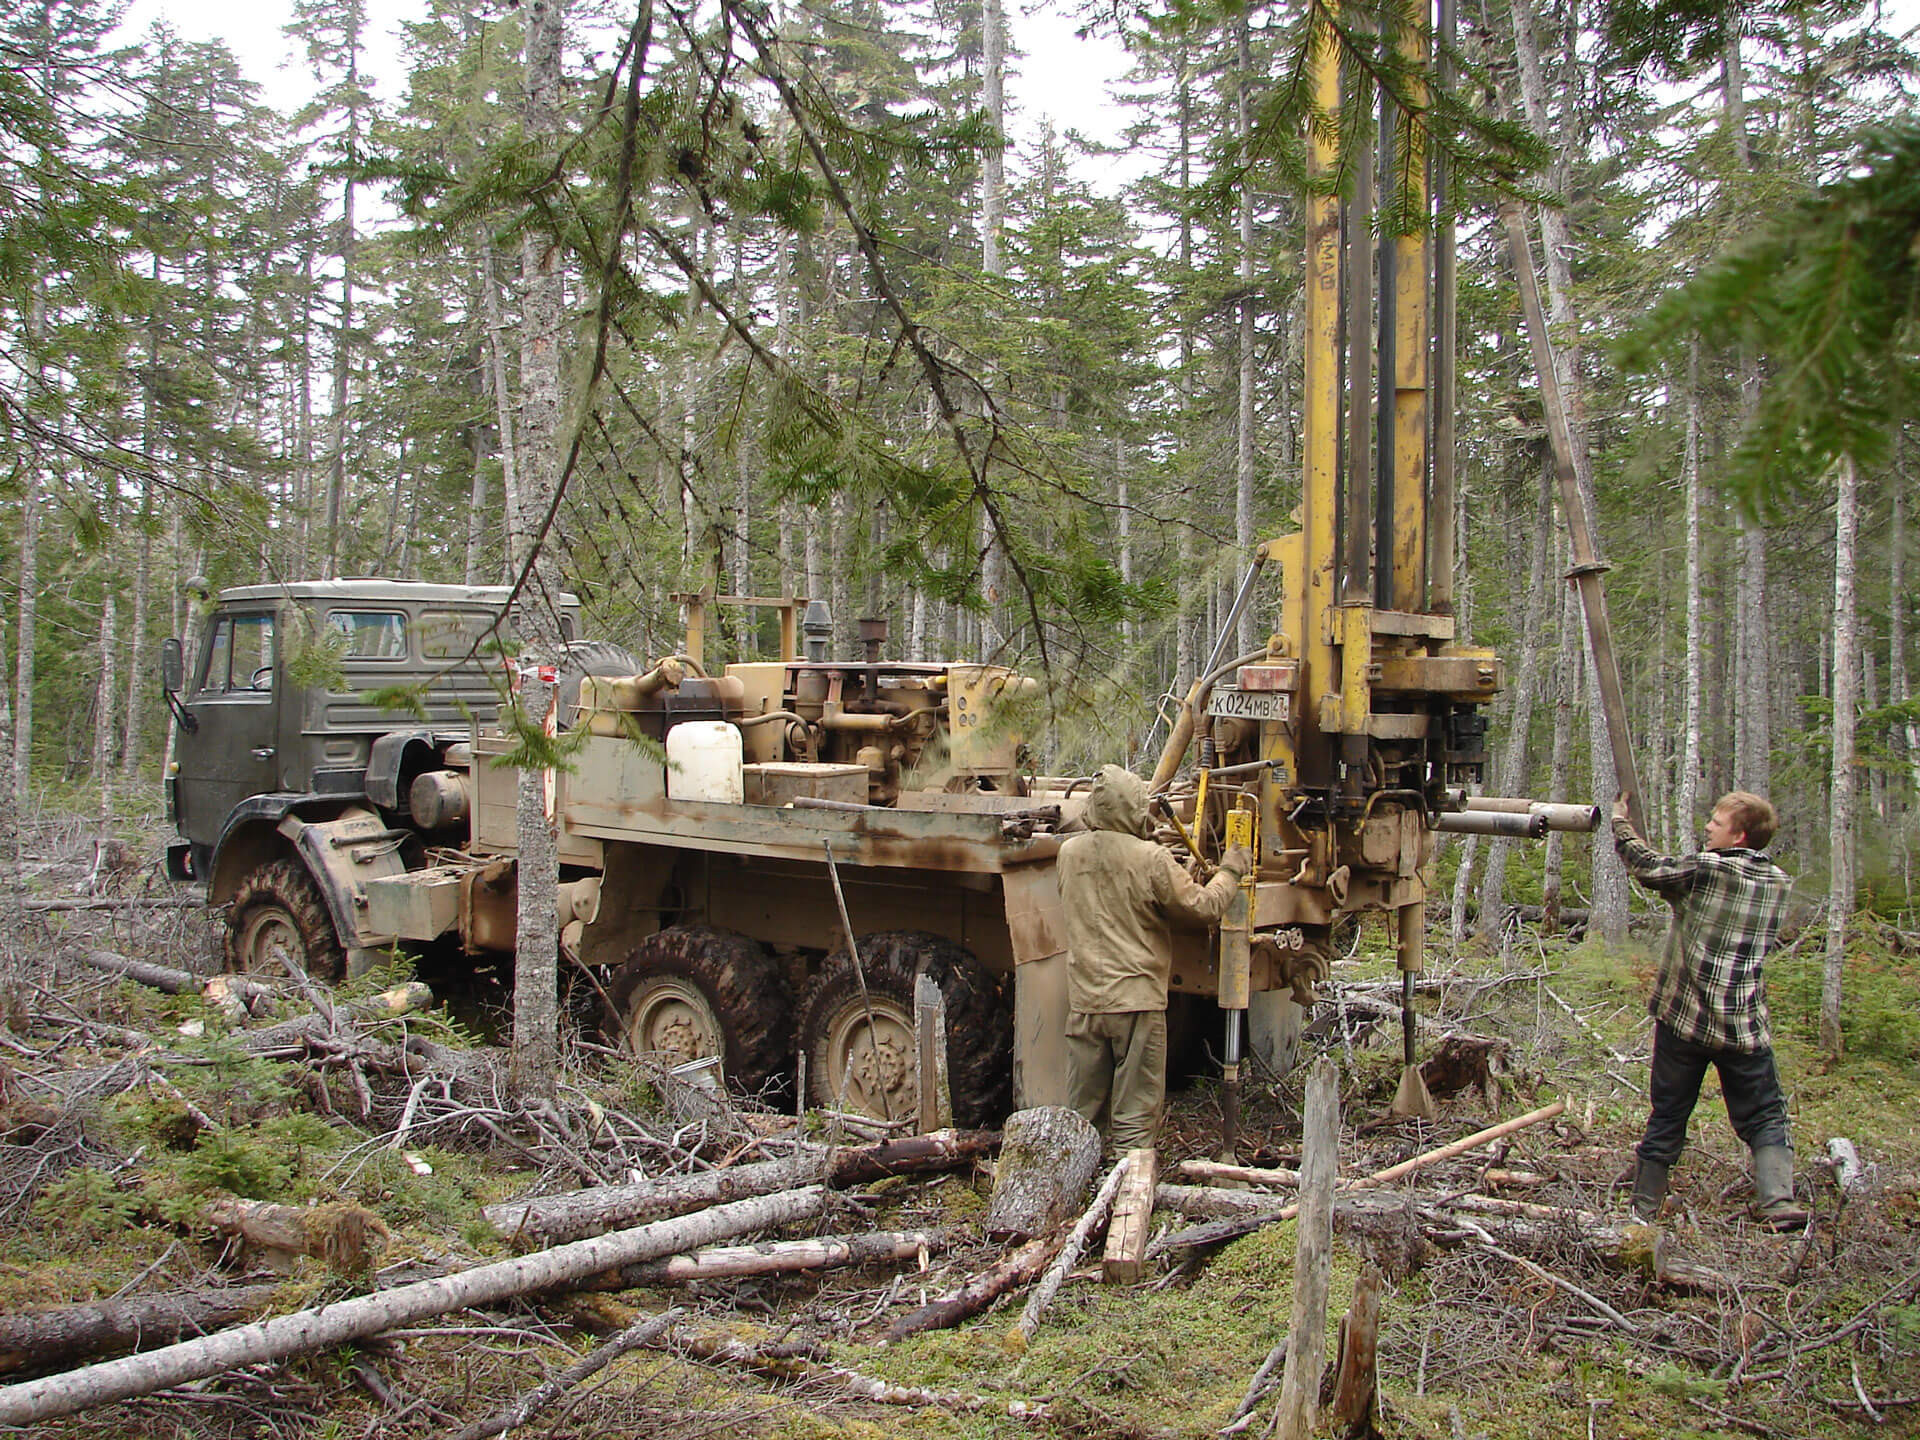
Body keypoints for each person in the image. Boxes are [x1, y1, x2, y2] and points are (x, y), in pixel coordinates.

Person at [1611, 790, 1807, 1229]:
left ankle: (1643, 1212)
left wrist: (1622, 824)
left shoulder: (1708, 868)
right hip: (1743, 1025)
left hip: (1686, 1021)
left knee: (1668, 1113)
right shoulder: (1778, 882)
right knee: (1765, 1115)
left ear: (1738, 835)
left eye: (1716, 822)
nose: (1708, 828)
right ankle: (1778, 1202)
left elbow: (1648, 867)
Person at [1058, 764, 1250, 1152]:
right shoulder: (1151, 859)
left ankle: (1076, 1196)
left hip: (1085, 1004)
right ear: (1135, 807)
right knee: (1134, 1122)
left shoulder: (1068, 853)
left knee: (1081, 1118)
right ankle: (1129, 1201)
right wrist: (1230, 870)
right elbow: (1203, 907)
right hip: (1136, 1006)